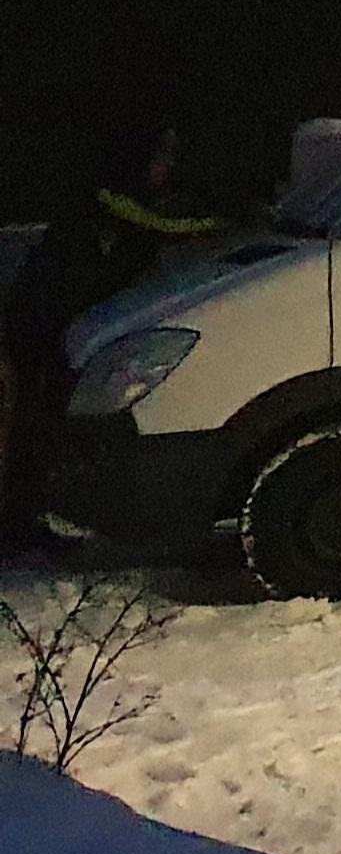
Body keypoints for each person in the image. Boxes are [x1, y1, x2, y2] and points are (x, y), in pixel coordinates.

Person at [1, 123, 222, 547]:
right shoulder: (109, 199)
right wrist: (218, 222)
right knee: (35, 424)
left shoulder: (122, 199)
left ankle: (30, 514)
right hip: (40, 326)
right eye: (161, 161)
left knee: (48, 425)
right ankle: (19, 520)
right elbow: (164, 225)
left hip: (63, 328)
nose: (166, 169)